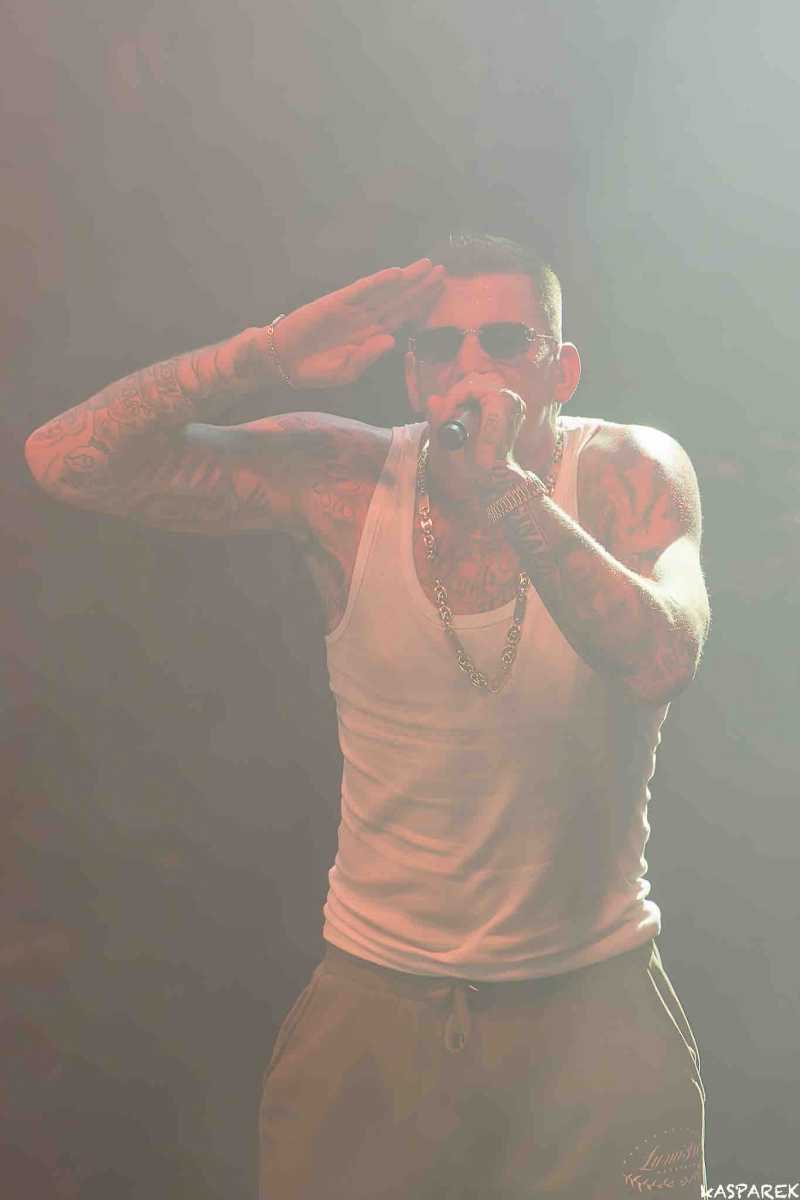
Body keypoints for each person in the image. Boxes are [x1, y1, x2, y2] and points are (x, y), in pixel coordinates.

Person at [25, 233, 710, 1199]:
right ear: (412, 375)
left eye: (504, 340)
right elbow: (64, 460)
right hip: (377, 1006)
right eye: (440, 346)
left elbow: (660, 660)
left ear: (561, 370)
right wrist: (265, 353)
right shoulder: (347, 480)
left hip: (593, 1007)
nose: (470, 367)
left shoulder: (629, 471)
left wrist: (509, 492)